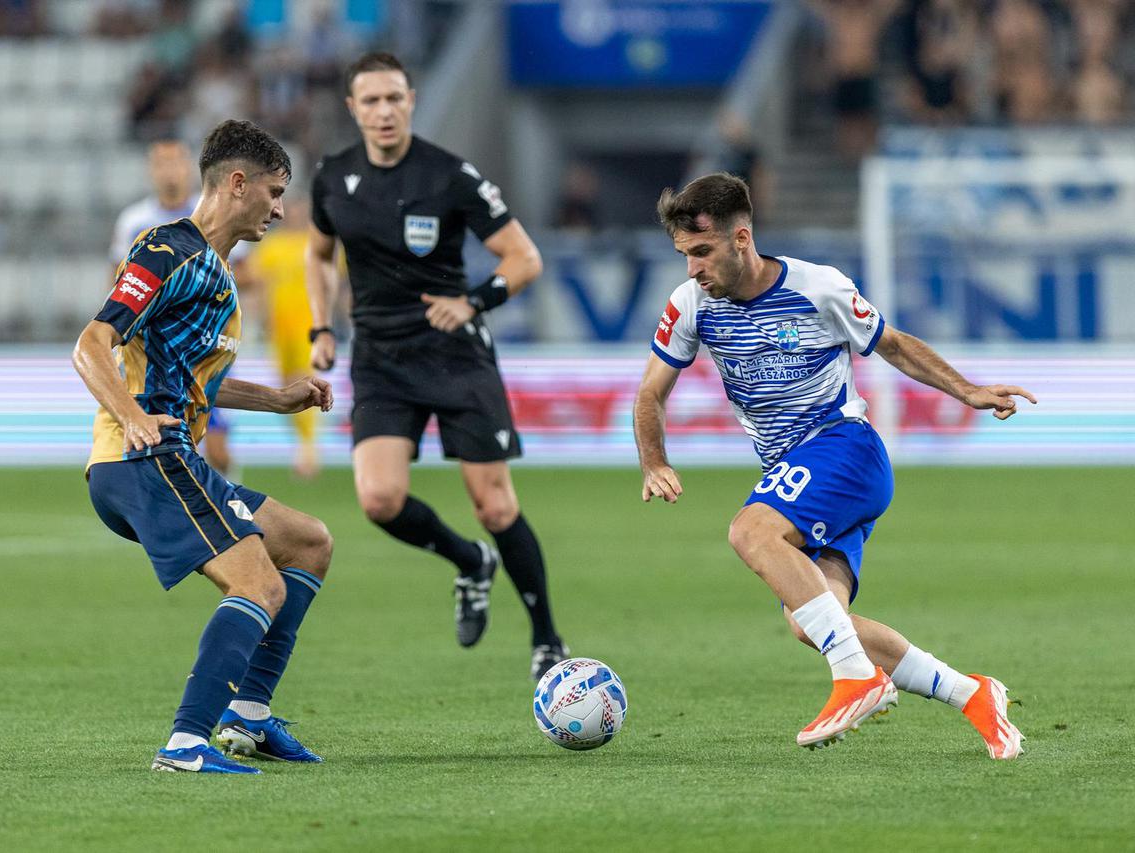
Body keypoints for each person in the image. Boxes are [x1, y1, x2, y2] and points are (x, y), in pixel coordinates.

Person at [633, 173, 1033, 757]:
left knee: (751, 531)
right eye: (685, 256)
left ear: (741, 238)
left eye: (701, 252)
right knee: (812, 623)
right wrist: (653, 461)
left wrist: (967, 391)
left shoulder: (818, 287)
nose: (692, 269)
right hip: (797, 470)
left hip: (844, 449)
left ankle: (856, 679)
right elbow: (650, 394)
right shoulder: (690, 304)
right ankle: (971, 693)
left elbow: (891, 343)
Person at [75, 120, 334, 773]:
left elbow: (194, 383)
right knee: (259, 583)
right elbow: (90, 344)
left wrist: (277, 399)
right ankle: (186, 743)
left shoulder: (215, 267)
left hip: (169, 456)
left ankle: (246, 719)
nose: (280, 208)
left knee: (306, 540)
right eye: (274, 191)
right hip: (142, 458)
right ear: (238, 183)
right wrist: (132, 415)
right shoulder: (167, 249)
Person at [305, 52, 569, 680]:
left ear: (412, 100)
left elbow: (523, 258)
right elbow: (318, 254)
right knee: (378, 498)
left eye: (394, 98)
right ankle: (470, 563)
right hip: (380, 357)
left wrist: (473, 301)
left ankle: (547, 638)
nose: (384, 111)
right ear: (353, 109)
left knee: (496, 506)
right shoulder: (332, 176)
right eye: (370, 101)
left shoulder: (450, 175)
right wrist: (321, 327)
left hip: (455, 355)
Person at [109, 139, 250, 478]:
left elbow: (243, 273)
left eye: (176, 163)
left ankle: (228, 498)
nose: (169, 171)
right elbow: (118, 280)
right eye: (162, 164)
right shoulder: (134, 220)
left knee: (216, 447)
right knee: (171, 438)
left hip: (204, 342)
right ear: (151, 171)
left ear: (190, 169)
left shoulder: (211, 214)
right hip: (155, 350)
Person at [253, 198, 324, 478]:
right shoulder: (272, 247)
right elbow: (261, 286)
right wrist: (262, 318)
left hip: (307, 326)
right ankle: (301, 443)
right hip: (279, 328)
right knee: (285, 386)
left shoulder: (316, 244)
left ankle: (308, 449)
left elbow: (334, 281)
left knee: (304, 379)